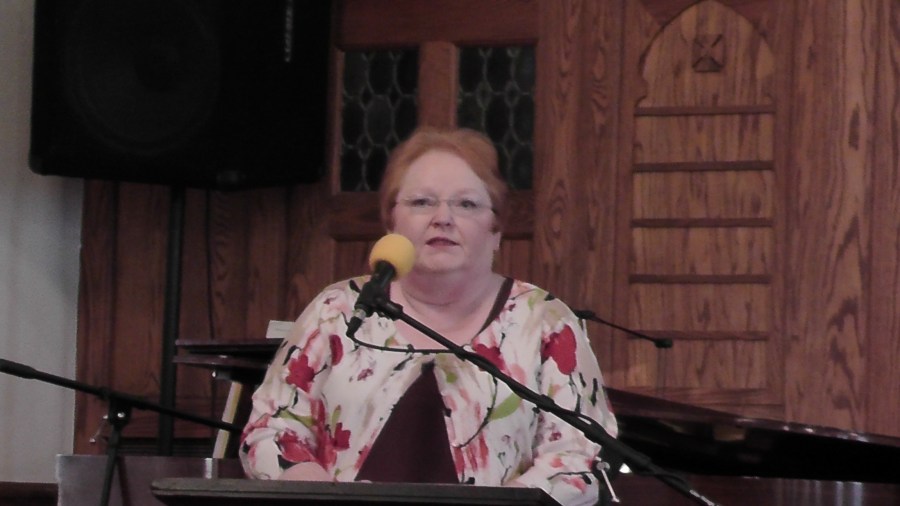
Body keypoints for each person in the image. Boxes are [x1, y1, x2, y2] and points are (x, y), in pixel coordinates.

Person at [239, 127, 619, 506]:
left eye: (466, 204)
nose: (443, 218)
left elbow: (579, 458)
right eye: (422, 202)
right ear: (391, 222)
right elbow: (269, 429)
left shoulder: (546, 322)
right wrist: (322, 495)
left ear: (496, 230)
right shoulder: (337, 310)